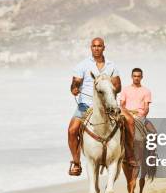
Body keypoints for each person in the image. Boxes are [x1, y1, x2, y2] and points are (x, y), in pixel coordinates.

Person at [67, 37, 137, 176]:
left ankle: (129, 154)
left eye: (99, 46)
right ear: (91, 48)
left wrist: (109, 89)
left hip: (109, 104)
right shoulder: (82, 65)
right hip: (86, 104)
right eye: (94, 46)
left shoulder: (111, 66)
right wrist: (75, 87)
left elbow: (118, 85)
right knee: (72, 130)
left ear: (104, 47)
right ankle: (76, 163)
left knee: (129, 120)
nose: (96, 48)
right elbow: (75, 84)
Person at [119, 68, 156, 132]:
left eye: (138, 76)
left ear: (141, 77)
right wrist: (126, 114)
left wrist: (142, 117)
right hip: (127, 116)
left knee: (154, 132)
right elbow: (121, 105)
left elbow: (146, 107)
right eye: (135, 76)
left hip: (140, 116)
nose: (136, 78)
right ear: (132, 77)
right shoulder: (125, 90)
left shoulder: (146, 91)